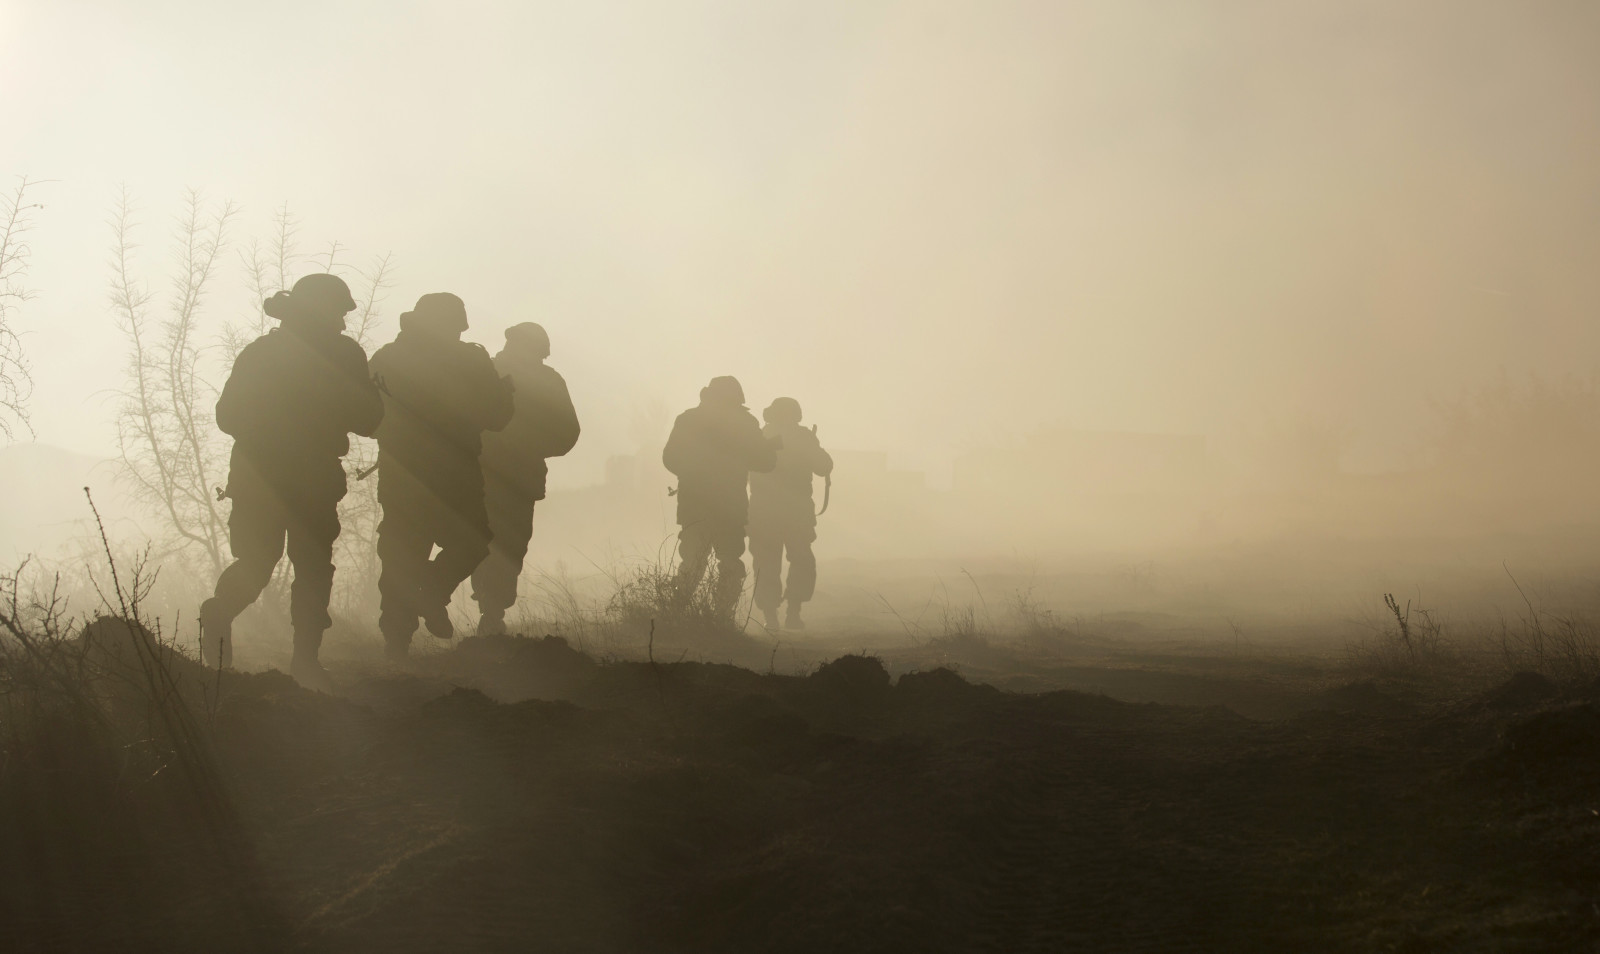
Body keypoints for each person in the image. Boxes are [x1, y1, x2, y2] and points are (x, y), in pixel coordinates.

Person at [199, 273, 385, 689]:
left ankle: (291, 655)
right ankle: (298, 659)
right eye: (338, 312)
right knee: (296, 566)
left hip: (268, 475)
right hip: (297, 476)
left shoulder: (262, 353)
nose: (342, 322)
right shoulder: (341, 355)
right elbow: (370, 419)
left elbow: (229, 416)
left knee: (275, 563)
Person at [369, 293, 513, 659]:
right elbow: (496, 417)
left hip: (404, 473)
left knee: (402, 552)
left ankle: (397, 640)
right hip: (454, 474)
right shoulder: (470, 360)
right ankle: (431, 594)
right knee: (472, 540)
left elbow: (366, 416)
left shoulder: (388, 357)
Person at [470, 322, 580, 636]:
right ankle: (491, 608)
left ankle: (491, 608)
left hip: (508, 476)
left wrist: (527, 445)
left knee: (505, 544)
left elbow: (567, 432)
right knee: (495, 542)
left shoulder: (542, 379)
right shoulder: (488, 371)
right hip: (493, 474)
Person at [662, 376, 780, 620]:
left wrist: (693, 473)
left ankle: (674, 615)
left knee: (693, 561)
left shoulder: (688, 419)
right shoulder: (745, 423)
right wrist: (764, 449)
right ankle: (722, 618)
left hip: (695, 504)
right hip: (730, 506)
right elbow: (765, 463)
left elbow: (670, 458)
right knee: (729, 562)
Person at [748, 397, 833, 630]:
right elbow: (824, 466)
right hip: (795, 512)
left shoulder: (760, 436)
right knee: (801, 559)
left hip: (764, 512)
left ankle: (771, 616)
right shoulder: (802, 437)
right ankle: (792, 613)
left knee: (766, 562)